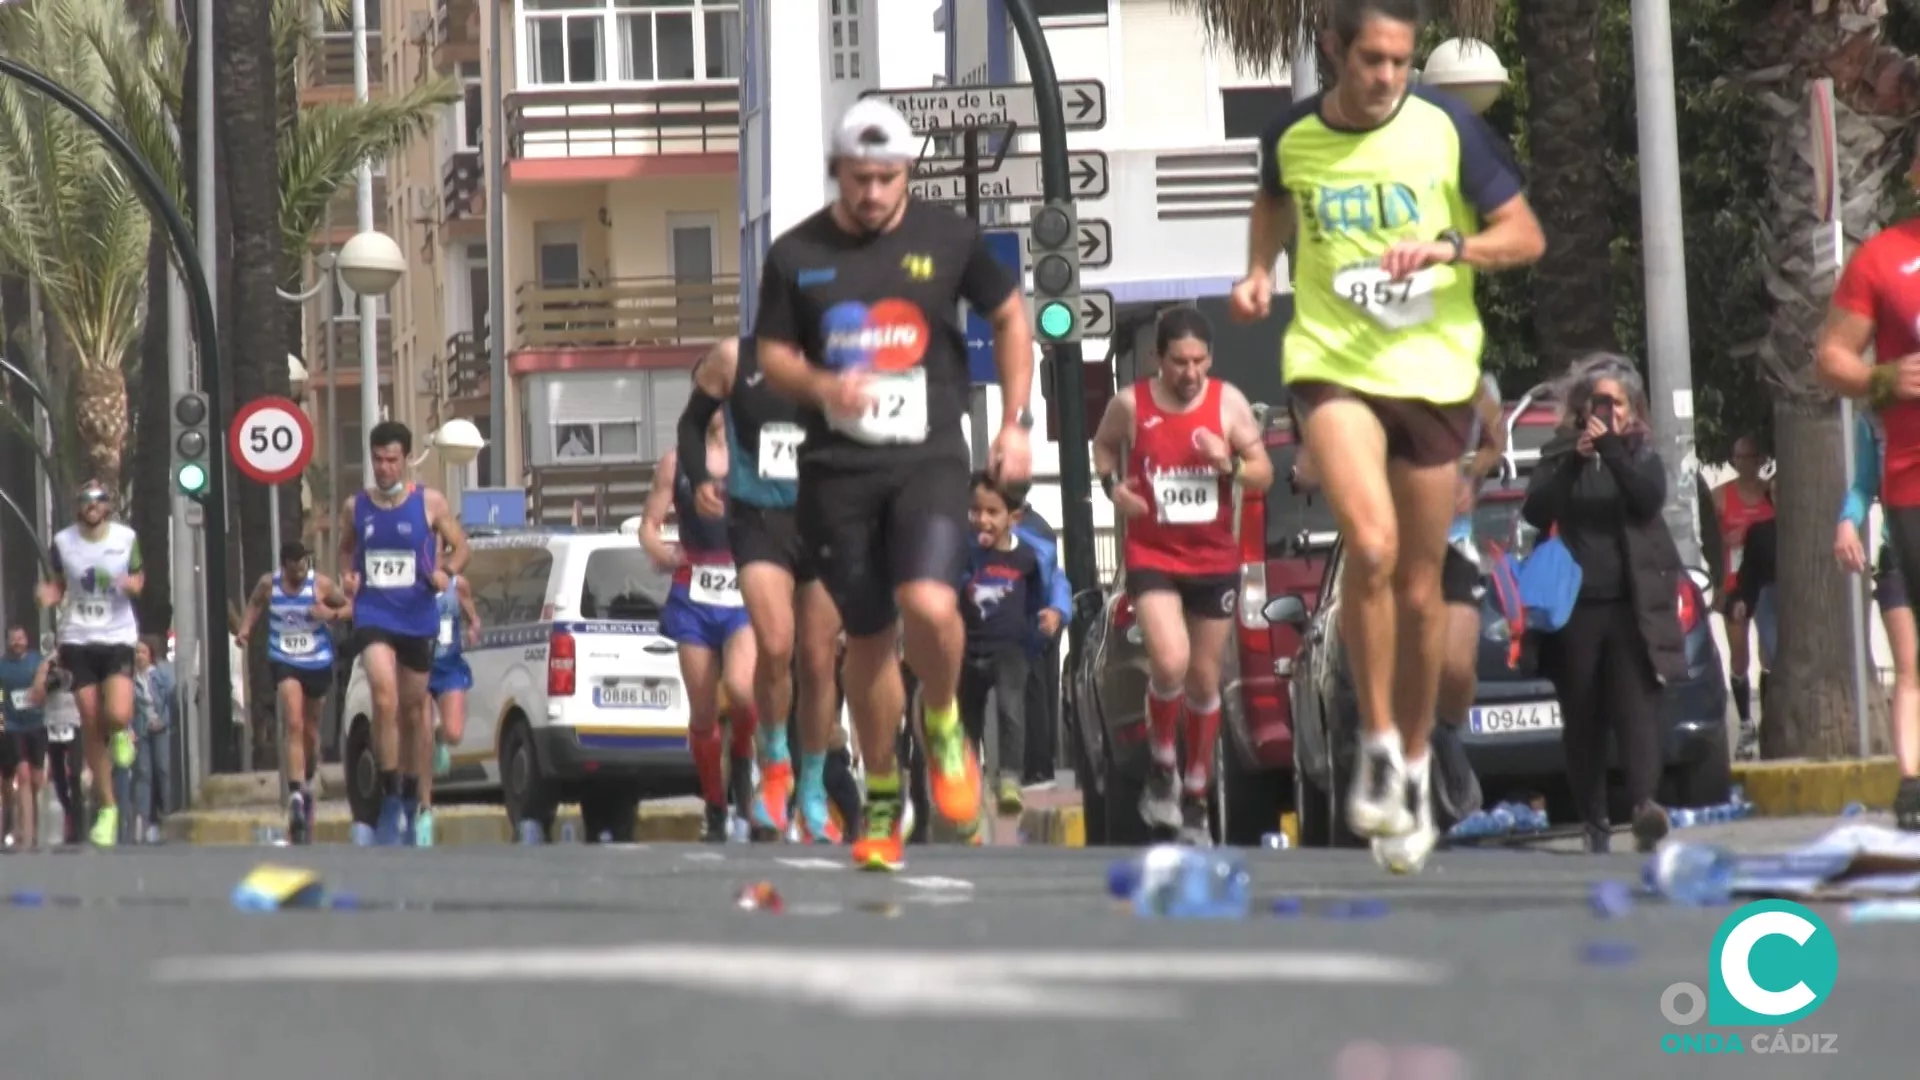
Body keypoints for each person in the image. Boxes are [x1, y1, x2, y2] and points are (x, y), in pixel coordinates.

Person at [1227, 0, 1544, 872]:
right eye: (1371, 60)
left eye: (1402, 62)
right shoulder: (1291, 136)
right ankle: (1372, 743)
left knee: (1415, 585)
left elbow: (1524, 234)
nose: (1386, 79)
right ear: (1333, 49)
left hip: (1434, 375)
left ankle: (1407, 762)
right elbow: (1270, 204)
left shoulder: (1446, 130)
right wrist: (1259, 273)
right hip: (1333, 365)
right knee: (1366, 544)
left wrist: (1449, 250)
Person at [754, 97, 1034, 871]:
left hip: (929, 458)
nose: (873, 194)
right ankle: (883, 792)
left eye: (886, 178)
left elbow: (1011, 315)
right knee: (869, 641)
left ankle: (941, 719)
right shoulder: (794, 253)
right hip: (837, 474)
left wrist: (1015, 422)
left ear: (907, 171)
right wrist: (821, 385)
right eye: (858, 179)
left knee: (929, 603)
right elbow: (771, 353)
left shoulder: (949, 237)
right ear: (836, 173)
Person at [1092, 307, 1273, 842]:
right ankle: (1163, 765)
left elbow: (1263, 470)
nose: (1189, 373)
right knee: (1168, 663)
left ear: (1210, 360)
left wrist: (1231, 464)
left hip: (1214, 560)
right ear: (1157, 359)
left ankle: (1196, 794)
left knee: (1203, 679)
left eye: (1198, 362)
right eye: (1178, 363)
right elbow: (1103, 446)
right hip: (1153, 555)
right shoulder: (1132, 405)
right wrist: (1112, 489)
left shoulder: (1229, 404)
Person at [677, 335, 843, 842]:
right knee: (774, 644)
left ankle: (812, 791)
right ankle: (775, 768)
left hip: (828, 520)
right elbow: (690, 422)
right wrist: (701, 474)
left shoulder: (839, 354)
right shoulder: (734, 358)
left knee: (816, 663)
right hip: (759, 520)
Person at [1521, 355, 1686, 854]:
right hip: (1575, 610)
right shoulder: (1560, 453)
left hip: (1631, 606)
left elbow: (1647, 499)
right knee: (1584, 715)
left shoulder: (1638, 454)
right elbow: (1537, 508)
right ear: (1581, 407)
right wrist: (1577, 457)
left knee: (1637, 709)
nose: (1607, 411)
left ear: (1631, 410)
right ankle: (1593, 819)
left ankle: (1643, 806)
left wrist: (1613, 450)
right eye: (1599, 402)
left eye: (1616, 403)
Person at [337, 421, 471, 846]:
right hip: (374, 611)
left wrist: (445, 572)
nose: (384, 468)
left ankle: (413, 796)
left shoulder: (429, 503)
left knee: (414, 714)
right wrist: (348, 577)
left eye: (392, 460)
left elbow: (460, 546)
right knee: (383, 694)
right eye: (377, 459)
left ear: (407, 459)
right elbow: (345, 547)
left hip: (417, 614)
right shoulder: (355, 507)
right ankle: (391, 794)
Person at [641, 431, 762, 843]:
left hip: (743, 589)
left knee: (743, 689)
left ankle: (744, 760)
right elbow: (648, 525)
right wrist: (659, 551)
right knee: (704, 712)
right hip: (693, 593)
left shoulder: (752, 453)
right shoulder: (677, 462)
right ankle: (714, 806)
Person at [37, 480, 144, 847]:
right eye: (86, 500)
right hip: (78, 637)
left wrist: (128, 584)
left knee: (115, 713)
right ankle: (108, 808)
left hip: (116, 636)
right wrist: (49, 594)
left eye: (98, 500)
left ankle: (121, 731)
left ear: (107, 506)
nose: (92, 505)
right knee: (89, 715)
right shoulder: (64, 542)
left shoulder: (126, 538)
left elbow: (140, 580)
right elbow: (57, 584)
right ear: (78, 506)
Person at [958, 472, 1061, 821]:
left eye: (992, 512)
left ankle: (1010, 780)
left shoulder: (1031, 557)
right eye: (974, 511)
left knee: (1009, 708)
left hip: (1012, 648)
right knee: (966, 718)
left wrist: (1056, 613)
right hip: (970, 649)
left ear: (1013, 518)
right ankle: (969, 783)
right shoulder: (964, 554)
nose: (982, 520)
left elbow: (1057, 585)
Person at [235, 540, 351, 844]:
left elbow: (350, 607)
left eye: (304, 565)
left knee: (311, 731)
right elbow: (256, 603)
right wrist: (246, 629)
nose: (300, 571)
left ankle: (310, 775)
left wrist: (329, 614)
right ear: (284, 565)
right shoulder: (268, 584)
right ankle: (297, 793)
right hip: (284, 659)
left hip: (317, 661)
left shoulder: (321, 585)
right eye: (294, 567)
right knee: (294, 721)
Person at [1838, 411, 1920, 828]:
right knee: (1909, 671)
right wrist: (1846, 524)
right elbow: (1862, 485)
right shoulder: (1877, 419)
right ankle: (1911, 785)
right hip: (1901, 554)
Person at [1713, 435, 1775, 737]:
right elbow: (1711, 544)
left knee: (1769, 652)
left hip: (1765, 583)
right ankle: (1745, 722)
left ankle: (1767, 721)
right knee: (1740, 655)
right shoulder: (1721, 496)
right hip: (1734, 582)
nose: (1742, 463)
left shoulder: (1769, 493)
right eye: (1737, 457)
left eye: (1748, 457)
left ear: (1759, 459)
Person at [427, 544, 482, 837]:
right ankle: (423, 805)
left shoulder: (457, 584)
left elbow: (472, 614)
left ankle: (440, 738)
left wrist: (473, 626)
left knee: (455, 734)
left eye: (437, 550)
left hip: (448, 665)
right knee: (420, 730)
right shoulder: (414, 582)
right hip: (420, 668)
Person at [0, 626, 46, 847]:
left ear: (26, 639)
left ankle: (31, 824)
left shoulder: (38, 661)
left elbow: (49, 686)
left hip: (37, 725)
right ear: (8, 642)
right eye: (13, 639)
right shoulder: (2, 666)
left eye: (21, 638)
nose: (17, 642)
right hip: (13, 726)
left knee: (36, 779)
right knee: (24, 775)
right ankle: (26, 835)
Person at [126, 637, 175, 843]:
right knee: (143, 773)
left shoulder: (161, 675)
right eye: (136, 652)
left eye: (143, 652)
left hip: (160, 728)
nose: (139, 656)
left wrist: (164, 721)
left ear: (150, 655)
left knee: (163, 769)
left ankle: (168, 814)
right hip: (142, 731)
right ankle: (144, 819)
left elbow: (171, 701)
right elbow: (128, 708)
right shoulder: (131, 680)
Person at [31, 650, 82, 844]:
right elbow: (36, 696)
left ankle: (79, 824)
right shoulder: (49, 665)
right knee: (58, 775)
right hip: (52, 725)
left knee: (75, 774)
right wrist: (45, 669)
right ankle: (69, 811)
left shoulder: (80, 663)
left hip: (76, 724)